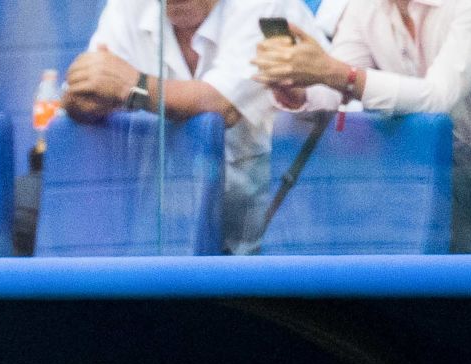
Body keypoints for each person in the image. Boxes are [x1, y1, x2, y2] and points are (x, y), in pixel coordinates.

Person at [252, 0, 471, 251]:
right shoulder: (364, 7)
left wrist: (335, 73)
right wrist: (299, 88)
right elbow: (336, 91)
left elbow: (437, 99)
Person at [61, 0, 322, 253]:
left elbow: (221, 105)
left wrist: (133, 86)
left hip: (278, 230)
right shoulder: (127, 7)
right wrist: (85, 93)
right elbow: (85, 92)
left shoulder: (265, 5)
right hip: (165, 232)